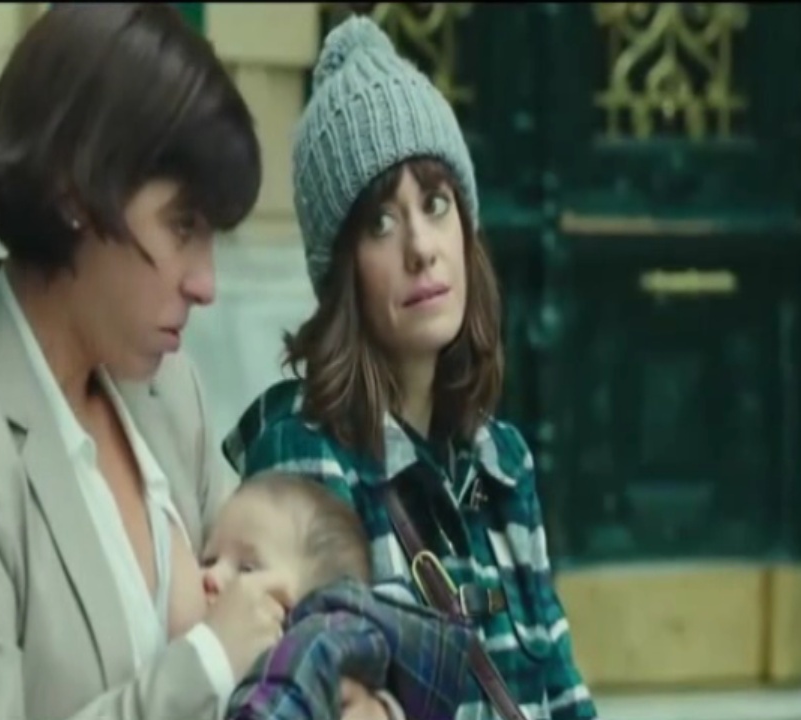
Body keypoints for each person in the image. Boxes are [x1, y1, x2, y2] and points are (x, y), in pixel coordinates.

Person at [0, 6, 340, 719]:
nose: (205, 283)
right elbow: (230, 643)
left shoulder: (168, 395)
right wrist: (207, 661)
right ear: (74, 197)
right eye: (182, 226)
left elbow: (288, 607)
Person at [222, 16, 599, 720]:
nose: (421, 248)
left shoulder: (502, 464)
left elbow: (564, 692)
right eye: (381, 223)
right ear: (342, 270)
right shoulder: (305, 458)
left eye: (435, 203)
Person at [202, 473, 473, 720]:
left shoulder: (313, 646)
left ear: (303, 599)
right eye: (208, 560)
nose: (211, 576)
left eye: (247, 568)